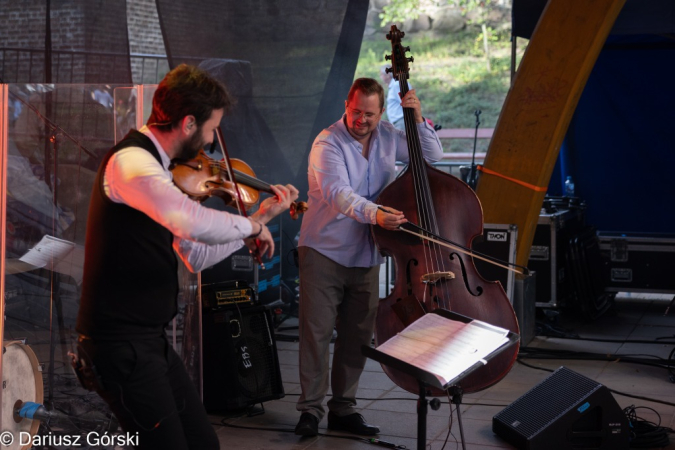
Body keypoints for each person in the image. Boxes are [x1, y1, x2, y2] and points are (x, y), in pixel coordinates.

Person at [75, 64, 299, 449]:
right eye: (213, 129)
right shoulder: (132, 163)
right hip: (118, 345)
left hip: (148, 340)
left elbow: (194, 253)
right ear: (189, 123)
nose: (212, 143)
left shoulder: (161, 171)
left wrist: (260, 218)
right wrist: (251, 229)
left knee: (204, 443)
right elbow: (189, 220)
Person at [294, 78, 443, 437]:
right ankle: (310, 410)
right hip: (323, 250)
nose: (361, 119)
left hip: (367, 251)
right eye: (356, 111)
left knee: (357, 335)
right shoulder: (327, 142)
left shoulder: (390, 135)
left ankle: (343, 408)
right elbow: (338, 194)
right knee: (316, 334)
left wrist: (418, 118)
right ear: (347, 105)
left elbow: (432, 157)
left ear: (380, 113)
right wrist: (376, 213)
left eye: (370, 114)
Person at [379, 65, 411, 131]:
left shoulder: (397, 84)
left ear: (388, 75)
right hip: (399, 122)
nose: (380, 76)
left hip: (401, 122)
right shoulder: (395, 84)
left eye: (381, 74)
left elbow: (408, 102)